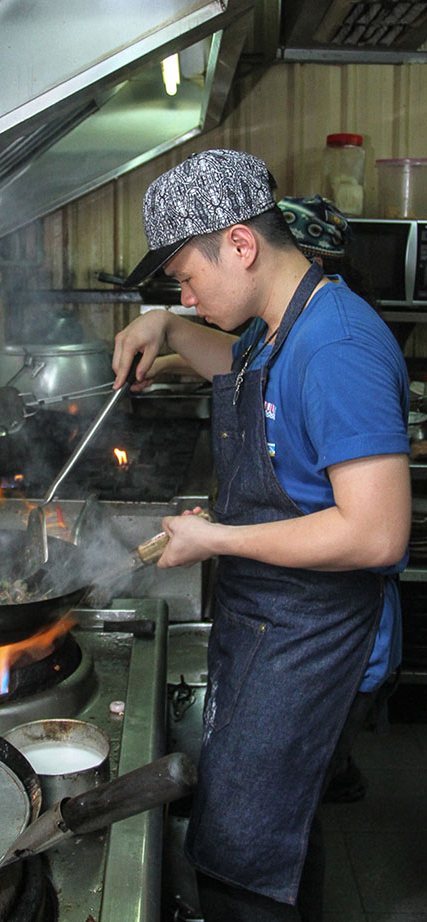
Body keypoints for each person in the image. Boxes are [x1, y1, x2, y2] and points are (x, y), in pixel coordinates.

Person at [111, 150, 411, 921]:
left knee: (247, 866)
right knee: (270, 843)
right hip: (274, 628)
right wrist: (170, 326)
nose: (186, 291)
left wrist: (216, 541)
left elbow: (375, 534)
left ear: (240, 245)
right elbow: (239, 373)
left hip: (320, 648)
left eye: (186, 277)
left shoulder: (336, 345)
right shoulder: (276, 325)